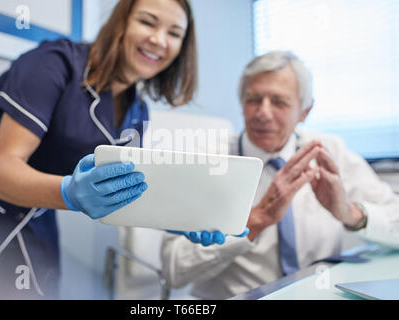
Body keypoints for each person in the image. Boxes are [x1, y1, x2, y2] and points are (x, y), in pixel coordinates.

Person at [0, 0, 199, 299]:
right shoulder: (53, 63)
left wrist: (184, 218)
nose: (159, 40)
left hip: (34, 213)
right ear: (121, 23)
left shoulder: (137, 111)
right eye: (147, 22)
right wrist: (70, 193)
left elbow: (128, 193)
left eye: (174, 33)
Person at [160, 51, 399, 299]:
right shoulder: (206, 160)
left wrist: (351, 213)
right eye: (253, 99)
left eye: (279, 102)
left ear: (305, 111)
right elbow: (174, 270)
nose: (263, 113)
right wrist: (256, 220)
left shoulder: (330, 151)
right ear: (242, 103)